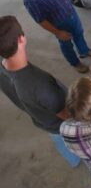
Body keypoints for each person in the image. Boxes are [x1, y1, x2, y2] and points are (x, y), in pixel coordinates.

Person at [0, 15, 80, 167]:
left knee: (58, 141)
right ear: (21, 39)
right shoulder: (41, 85)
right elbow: (65, 114)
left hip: (40, 119)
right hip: (60, 124)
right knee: (66, 138)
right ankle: (79, 156)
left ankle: (73, 161)